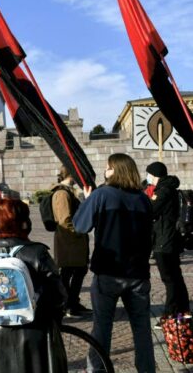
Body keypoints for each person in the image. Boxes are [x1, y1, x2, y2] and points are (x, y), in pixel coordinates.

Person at [74, 153, 155, 373]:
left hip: (109, 271)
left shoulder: (101, 194)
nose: (105, 171)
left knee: (102, 326)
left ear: (115, 170)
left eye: (108, 167)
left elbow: (80, 226)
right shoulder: (143, 199)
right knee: (142, 328)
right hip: (138, 272)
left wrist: (87, 199)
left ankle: (97, 370)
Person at [0, 198, 68, 373]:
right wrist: (53, 319)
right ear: (22, 222)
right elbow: (59, 295)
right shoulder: (37, 252)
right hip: (35, 330)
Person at [146, 161, 190, 318]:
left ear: (155, 175)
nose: (147, 177)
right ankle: (183, 309)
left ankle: (170, 313)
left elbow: (151, 211)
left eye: (149, 174)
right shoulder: (169, 188)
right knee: (176, 276)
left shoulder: (163, 191)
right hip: (169, 238)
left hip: (164, 240)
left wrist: (148, 199)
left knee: (169, 279)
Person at [51, 166, 91, 317]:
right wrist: (79, 232)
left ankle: (73, 301)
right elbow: (64, 219)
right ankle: (68, 305)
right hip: (69, 242)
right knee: (69, 273)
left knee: (78, 271)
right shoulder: (61, 193)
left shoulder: (67, 192)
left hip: (73, 241)